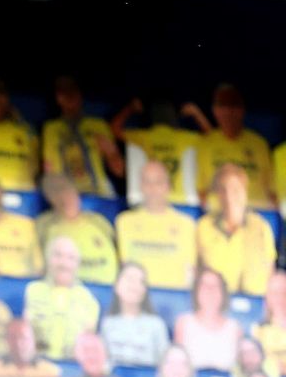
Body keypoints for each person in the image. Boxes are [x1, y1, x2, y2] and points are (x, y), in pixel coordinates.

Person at [116, 160, 197, 291]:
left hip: (173, 300)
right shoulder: (124, 222)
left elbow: (190, 273)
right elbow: (126, 268)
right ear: (140, 186)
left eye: (158, 182)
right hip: (138, 299)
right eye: (147, 182)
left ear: (168, 186)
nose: (152, 188)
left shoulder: (187, 224)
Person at [196, 164, 275, 297]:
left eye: (235, 188)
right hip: (214, 305)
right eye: (222, 189)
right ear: (217, 194)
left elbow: (270, 273)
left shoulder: (261, 226)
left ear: (245, 190)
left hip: (253, 305)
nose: (229, 196)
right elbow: (195, 271)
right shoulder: (203, 226)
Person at [193, 84, 273, 208]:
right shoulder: (205, 144)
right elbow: (201, 191)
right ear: (215, 111)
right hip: (218, 217)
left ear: (242, 110)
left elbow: (271, 191)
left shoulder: (259, 144)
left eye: (233, 106)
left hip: (256, 216)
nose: (228, 112)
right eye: (222, 106)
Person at [41, 76, 122, 198]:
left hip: (98, 195)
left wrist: (111, 152)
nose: (69, 96)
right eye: (63, 92)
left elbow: (119, 170)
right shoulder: (50, 129)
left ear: (80, 94)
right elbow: (48, 169)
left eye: (72, 91)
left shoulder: (98, 125)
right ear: (57, 97)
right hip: (65, 197)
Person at [113, 97, 202, 206]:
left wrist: (130, 109)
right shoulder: (186, 137)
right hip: (180, 199)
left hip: (152, 200)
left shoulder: (143, 136)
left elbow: (114, 128)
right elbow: (214, 138)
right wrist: (196, 113)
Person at [23, 236, 99, 360]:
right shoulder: (33, 290)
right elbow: (25, 334)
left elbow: (86, 346)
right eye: (58, 255)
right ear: (48, 259)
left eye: (70, 258)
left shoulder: (88, 299)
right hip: (37, 364)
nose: (64, 263)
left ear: (77, 264)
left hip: (72, 367)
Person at [35, 173, 118, 285]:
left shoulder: (98, 221)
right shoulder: (43, 224)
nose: (64, 195)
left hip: (107, 289)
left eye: (67, 189)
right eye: (55, 191)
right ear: (48, 197)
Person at [173, 267, 244, 372]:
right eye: (204, 286)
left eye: (215, 286)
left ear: (223, 292)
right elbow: (176, 365)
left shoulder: (235, 328)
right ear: (197, 291)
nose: (210, 290)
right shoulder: (184, 323)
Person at [98, 263, 169, 368]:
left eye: (141, 282)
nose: (135, 286)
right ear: (117, 286)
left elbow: (165, 365)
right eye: (130, 279)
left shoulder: (156, 325)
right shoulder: (107, 323)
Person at [60, 332, 136, 377]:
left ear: (105, 354)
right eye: (86, 351)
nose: (91, 356)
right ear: (77, 355)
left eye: (95, 350)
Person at [254, 271, 286, 372]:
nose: (280, 297)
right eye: (275, 293)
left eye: (284, 292)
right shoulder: (257, 331)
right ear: (267, 297)